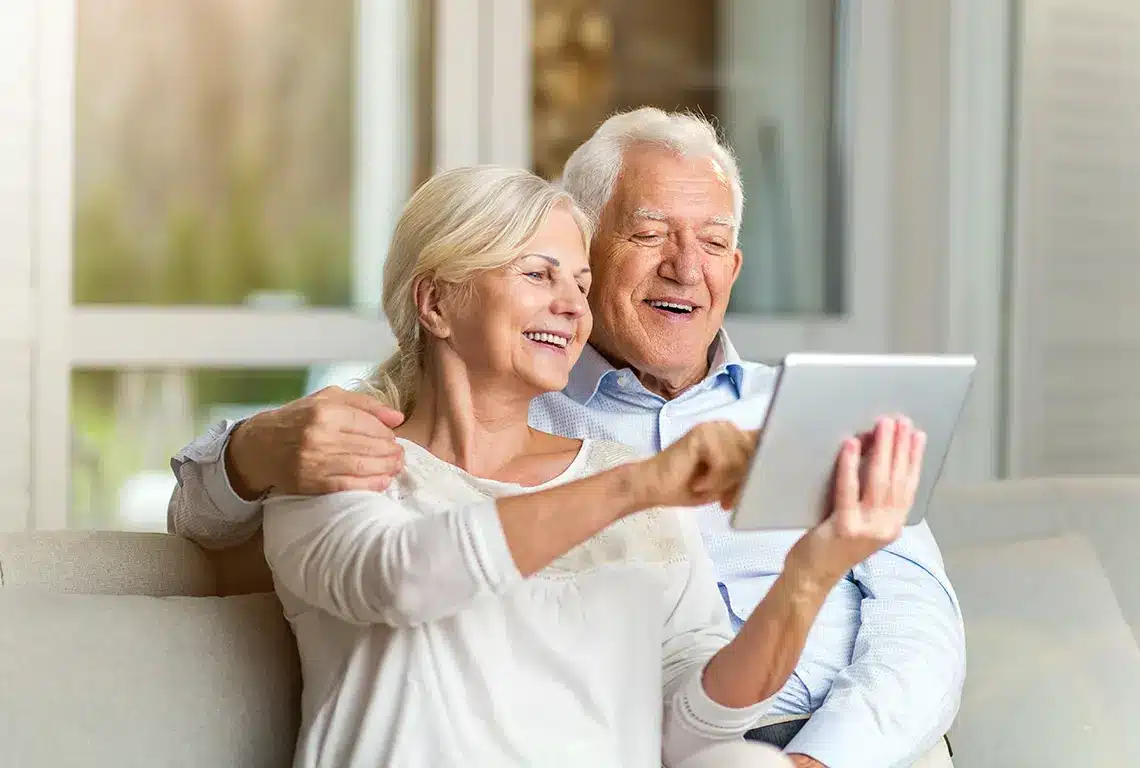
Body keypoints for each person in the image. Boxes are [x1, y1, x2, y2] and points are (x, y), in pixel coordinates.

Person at [169, 109, 964, 768]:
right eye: (649, 234)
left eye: (714, 243)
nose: (687, 269)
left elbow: (710, 707)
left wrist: (813, 576)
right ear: (438, 302)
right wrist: (254, 447)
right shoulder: (359, 448)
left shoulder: (809, 413)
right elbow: (388, 570)